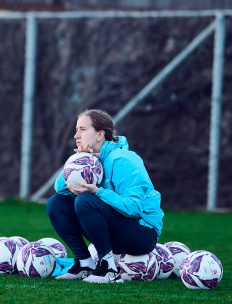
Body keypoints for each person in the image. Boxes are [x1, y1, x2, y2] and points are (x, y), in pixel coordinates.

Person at [46, 109, 163, 283]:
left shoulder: (123, 159)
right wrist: (78, 161)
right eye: (76, 130)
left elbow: (134, 208)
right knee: (56, 203)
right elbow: (60, 189)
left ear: (100, 134)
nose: (76, 136)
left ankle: (109, 269)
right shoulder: (90, 160)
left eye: (82, 129)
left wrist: (98, 191)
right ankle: (85, 264)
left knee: (85, 200)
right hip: (115, 229)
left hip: (143, 234)